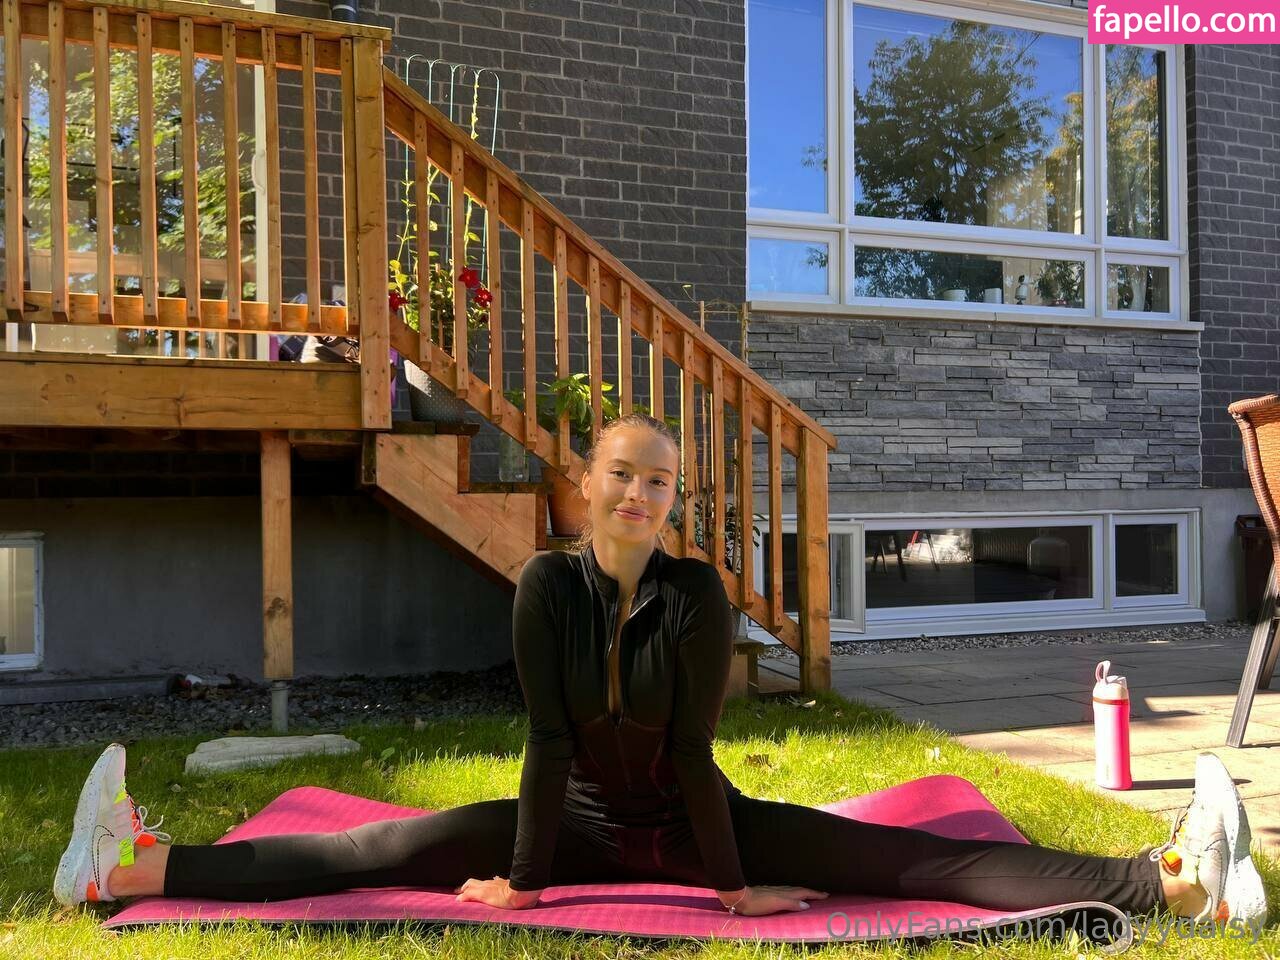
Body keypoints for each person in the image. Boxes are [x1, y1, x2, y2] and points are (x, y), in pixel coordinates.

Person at [53, 414, 1267, 937]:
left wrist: (732, 885)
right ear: (585, 483)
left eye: (661, 482)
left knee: (908, 860)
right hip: (575, 824)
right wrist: (525, 882)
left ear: (672, 499)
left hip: (693, 823)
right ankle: (128, 867)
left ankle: (1171, 883)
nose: (640, 494)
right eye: (622, 475)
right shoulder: (543, 586)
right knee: (373, 848)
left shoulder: (695, 596)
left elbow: (690, 751)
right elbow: (545, 743)